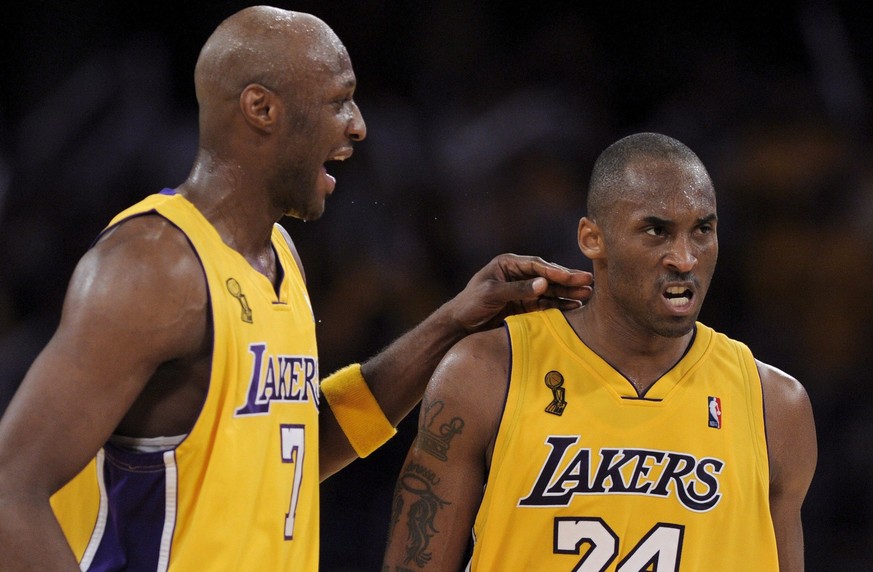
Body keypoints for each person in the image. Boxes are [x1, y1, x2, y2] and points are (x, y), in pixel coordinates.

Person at [0, 6, 594, 571]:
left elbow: (296, 451)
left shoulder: (279, 254)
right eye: (338, 101)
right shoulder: (156, 266)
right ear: (261, 108)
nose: (358, 125)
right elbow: (10, 489)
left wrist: (454, 322)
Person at [382, 132, 817, 571]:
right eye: (657, 231)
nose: (685, 259)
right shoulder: (485, 372)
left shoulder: (775, 405)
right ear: (592, 238)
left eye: (703, 230)